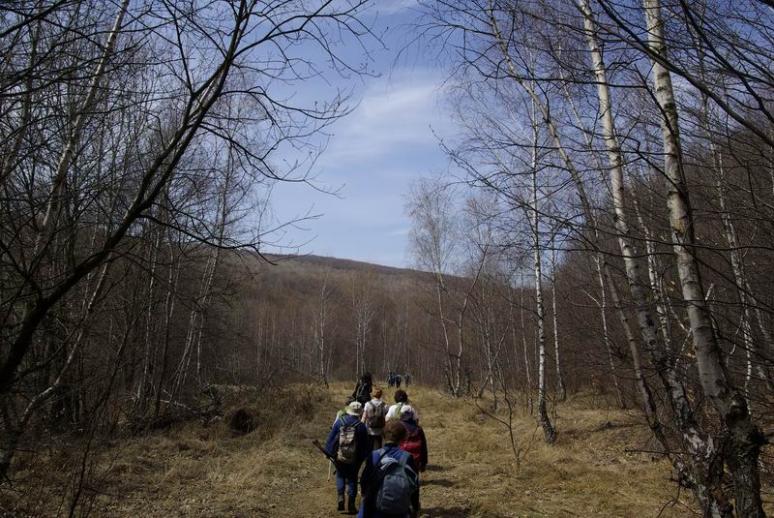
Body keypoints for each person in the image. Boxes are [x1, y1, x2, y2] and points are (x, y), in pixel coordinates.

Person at [357, 420, 420, 518]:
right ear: (403, 438)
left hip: (375, 509)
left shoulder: (374, 455)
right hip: (399, 510)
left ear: (383, 436)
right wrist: (415, 507)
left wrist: (365, 495)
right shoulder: (407, 457)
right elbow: (414, 484)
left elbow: (364, 480)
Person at [325, 400, 369, 513]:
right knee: (352, 478)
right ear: (359, 412)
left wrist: (329, 452)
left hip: (339, 456)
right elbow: (365, 445)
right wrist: (364, 457)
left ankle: (340, 497)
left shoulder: (340, 421)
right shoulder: (361, 426)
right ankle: (351, 504)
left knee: (340, 475)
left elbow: (331, 438)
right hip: (355, 458)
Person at [398, 405, 428, 474]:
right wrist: (424, 462)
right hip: (416, 457)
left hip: (402, 456)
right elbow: (423, 447)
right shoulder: (418, 429)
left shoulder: (399, 427)